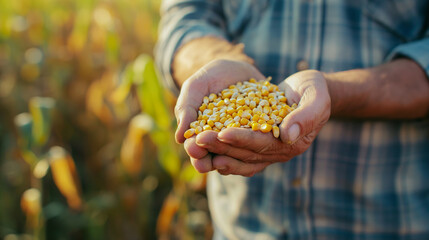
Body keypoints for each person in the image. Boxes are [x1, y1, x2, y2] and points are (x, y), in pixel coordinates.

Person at [155, 0, 429, 239]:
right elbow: (185, 18)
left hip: (387, 224)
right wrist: (216, 60)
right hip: (244, 230)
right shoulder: (249, 103)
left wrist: (336, 92)